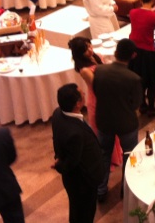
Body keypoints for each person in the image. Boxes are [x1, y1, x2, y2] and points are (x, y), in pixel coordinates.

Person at [92, 38, 143, 202]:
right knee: (129, 155)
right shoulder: (133, 78)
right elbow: (136, 103)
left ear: (115, 53)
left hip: (104, 120)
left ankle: (101, 190)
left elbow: (96, 91)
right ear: (133, 55)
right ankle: (126, 189)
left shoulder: (99, 70)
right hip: (126, 123)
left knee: (104, 155)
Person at [51, 84, 105, 223]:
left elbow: (56, 138)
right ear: (77, 104)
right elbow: (72, 162)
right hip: (83, 183)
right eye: (82, 95)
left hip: (74, 182)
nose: (85, 95)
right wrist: (59, 165)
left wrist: (58, 156)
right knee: (85, 214)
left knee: (76, 211)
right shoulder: (75, 133)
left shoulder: (58, 113)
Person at [68, 36, 123, 167]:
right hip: (97, 100)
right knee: (102, 130)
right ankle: (108, 160)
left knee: (113, 127)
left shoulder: (97, 56)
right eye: (86, 49)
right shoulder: (84, 70)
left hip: (107, 95)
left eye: (89, 45)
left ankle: (116, 155)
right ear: (79, 53)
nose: (90, 50)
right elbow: (97, 86)